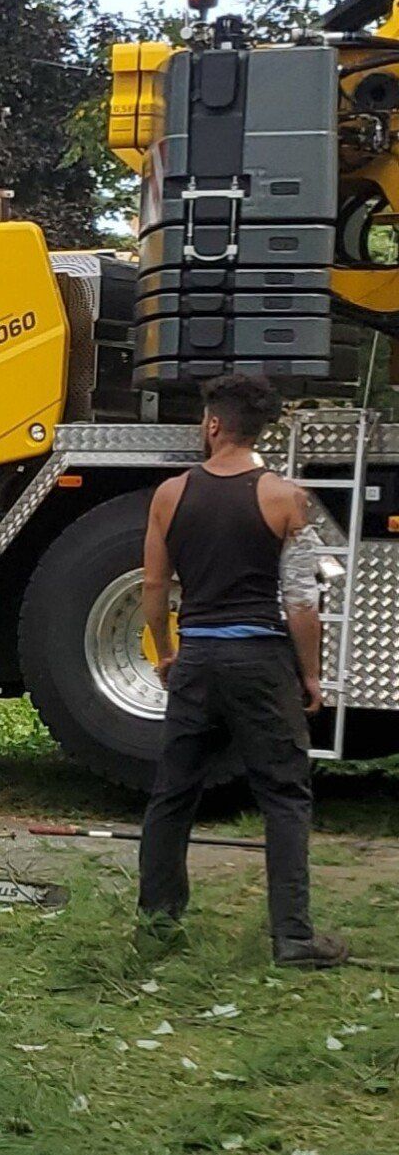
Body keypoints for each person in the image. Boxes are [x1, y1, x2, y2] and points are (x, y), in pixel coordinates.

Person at [137, 371, 345, 968]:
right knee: (282, 794)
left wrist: (165, 651)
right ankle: (294, 939)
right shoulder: (286, 498)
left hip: (197, 658)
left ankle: (157, 927)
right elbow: (301, 602)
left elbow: (155, 585)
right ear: (259, 431)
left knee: (173, 795)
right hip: (261, 663)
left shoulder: (170, 494)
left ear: (214, 424)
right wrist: (311, 674)